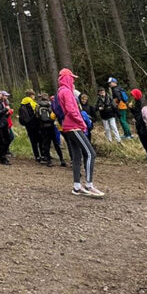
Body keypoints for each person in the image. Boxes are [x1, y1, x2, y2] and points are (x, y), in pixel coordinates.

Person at [57, 69, 104, 198]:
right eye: (72, 78)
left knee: (77, 156)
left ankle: (77, 187)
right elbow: (72, 110)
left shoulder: (62, 91)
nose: (73, 81)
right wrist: (82, 123)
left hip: (69, 126)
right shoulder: (66, 92)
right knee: (90, 153)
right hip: (73, 126)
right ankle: (89, 185)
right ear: (67, 78)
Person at [35, 93, 65, 167]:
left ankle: (49, 161)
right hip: (51, 126)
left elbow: (37, 116)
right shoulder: (50, 104)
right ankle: (61, 159)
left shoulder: (38, 106)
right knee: (56, 143)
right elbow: (54, 114)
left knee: (46, 144)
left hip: (43, 127)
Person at [130, 88, 147, 160]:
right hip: (139, 124)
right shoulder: (136, 102)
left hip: (144, 125)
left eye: (133, 95)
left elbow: (142, 115)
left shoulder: (143, 103)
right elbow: (136, 113)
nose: (133, 96)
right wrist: (131, 108)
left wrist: (137, 119)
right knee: (143, 140)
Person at [19, 90, 42, 162]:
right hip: (35, 124)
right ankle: (42, 154)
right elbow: (37, 113)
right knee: (40, 140)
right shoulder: (32, 103)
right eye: (33, 95)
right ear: (31, 95)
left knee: (33, 141)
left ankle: (37, 156)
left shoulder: (22, 103)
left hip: (28, 125)